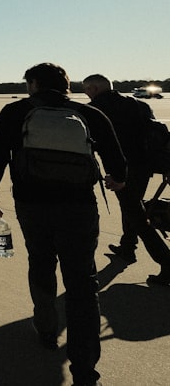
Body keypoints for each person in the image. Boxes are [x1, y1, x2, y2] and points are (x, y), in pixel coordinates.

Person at [0, 63, 125, 386]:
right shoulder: (88, 113)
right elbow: (117, 160)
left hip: (32, 206)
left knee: (42, 263)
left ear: (33, 84)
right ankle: (85, 370)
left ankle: (46, 329)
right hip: (78, 208)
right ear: (66, 85)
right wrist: (118, 180)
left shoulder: (14, 111)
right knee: (83, 283)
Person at [82, 73, 170, 285]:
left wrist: (112, 173)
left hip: (122, 169)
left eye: (86, 89)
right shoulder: (138, 104)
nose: (86, 93)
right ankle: (127, 247)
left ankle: (166, 262)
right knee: (132, 206)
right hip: (145, 167)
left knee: (137, 215)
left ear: (94, 89)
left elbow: (98, 144)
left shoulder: (96, 109)